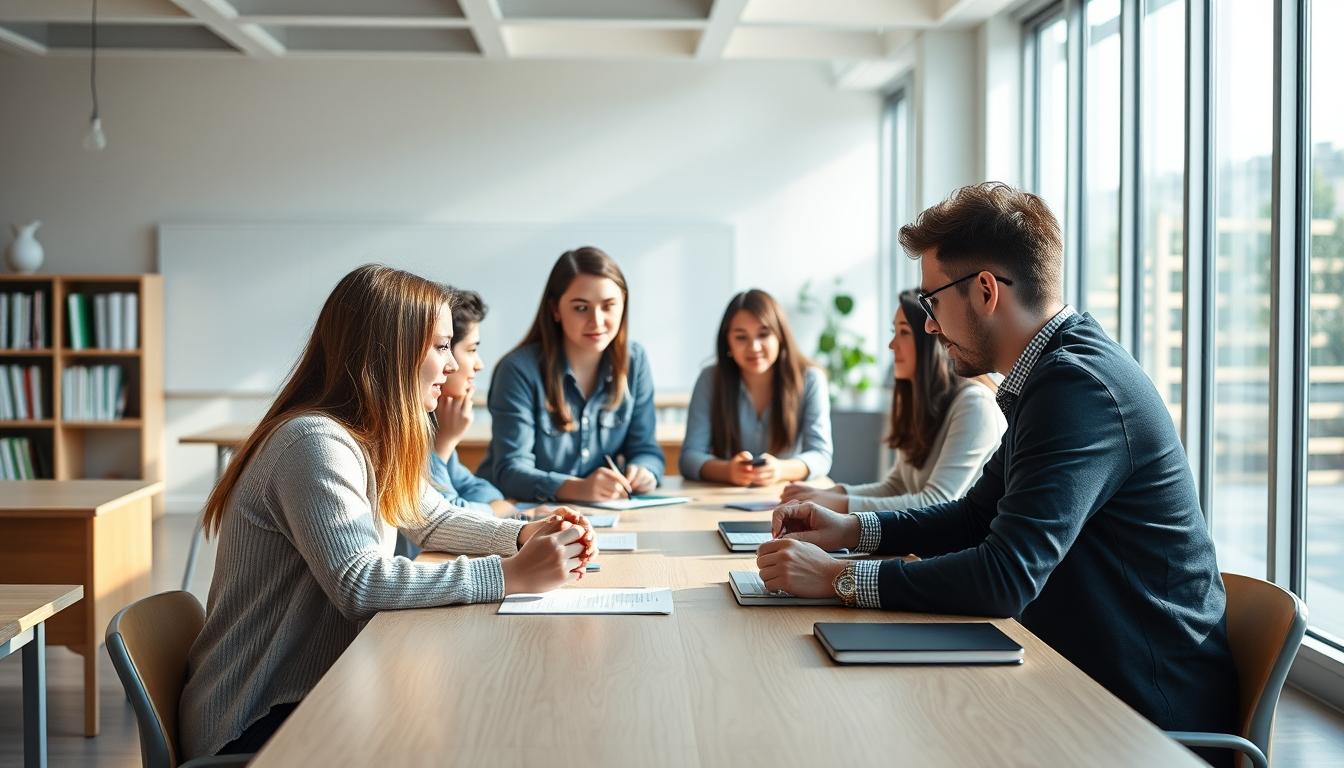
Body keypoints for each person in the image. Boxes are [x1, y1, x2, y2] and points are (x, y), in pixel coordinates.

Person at [756, 183, 1237, 751]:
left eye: (932, 301)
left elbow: (1005, 577)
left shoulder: (1077, 386)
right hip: (1078, 675)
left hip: (1143, 717)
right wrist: (852, 530)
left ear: (985, 290)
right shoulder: (1052, 375)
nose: (930, 325)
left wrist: (839, 578)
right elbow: (975, 518)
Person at [179, 265, 596, 760]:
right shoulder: (313, 442)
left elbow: (434, 519)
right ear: (392, 351)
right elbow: (358, 583)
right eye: (441, 346)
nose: (452, 366)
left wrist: (522, 537)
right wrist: (508, 575)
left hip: (319, 690)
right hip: (256, 717)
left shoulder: (371, 440)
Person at [779, 289, 1003, 510]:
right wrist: (829, 493)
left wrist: (837, 503)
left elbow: (935, 502)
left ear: (932, 339)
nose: (891, 344)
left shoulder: (975, 405)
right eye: (893, 332)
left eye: (904, 332)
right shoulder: (920, 403)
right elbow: (896, 486)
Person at [479, 246, 664, 502]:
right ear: (555, 310)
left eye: (609, 306)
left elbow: (646, 450)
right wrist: (578, 488)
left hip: (602, 513)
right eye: (580, 308)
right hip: (520, 516)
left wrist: (645, 471)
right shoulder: (518, 370)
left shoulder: (635, 361)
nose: (597, 321)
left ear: (623, 304)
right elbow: (509, 471)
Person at [679, 289, 832, 485]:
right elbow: (689, 457)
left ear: (780, 336)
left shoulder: (811, 379)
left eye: (764, 334)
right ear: (728, 342)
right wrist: (728, 471)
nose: (754, 347)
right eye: (741, 337)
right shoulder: (710, 379)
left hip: (789, 498)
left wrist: (781, 470)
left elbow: (821, 455)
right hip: (723, 496)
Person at [428, 287, 513, 516]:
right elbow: (445, 516)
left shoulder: (434, 422)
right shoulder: (413, 429)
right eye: (471, 349)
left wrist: (493, 506)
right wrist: (444, 444)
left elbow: (479, 489)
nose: (479, 364)